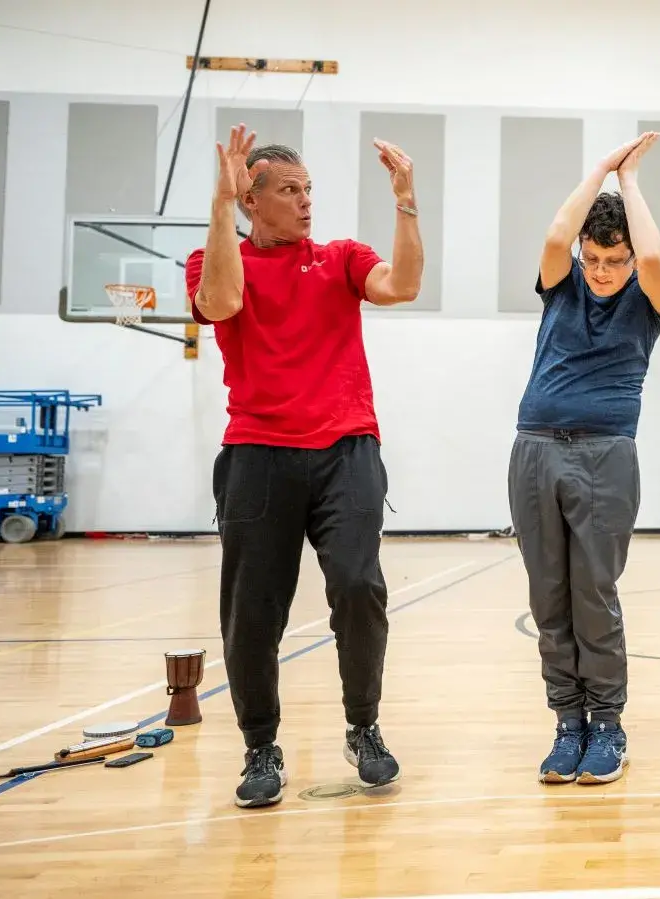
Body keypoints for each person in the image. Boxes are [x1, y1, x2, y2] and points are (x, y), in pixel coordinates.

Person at [187, 123, 424, 808]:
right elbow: (222, 304)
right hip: (257, 454)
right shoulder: (212, 260)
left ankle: (364, 727)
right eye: (288, 191)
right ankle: (261, 745)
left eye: (309, 189)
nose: (305, 201)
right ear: (251, 201)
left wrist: (406, 200)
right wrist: (218, 201)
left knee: (357, 584)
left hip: (347, 449)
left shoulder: (341, 258)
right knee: (253, 614)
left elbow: (402, 284)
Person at [514, 132, 660, 786]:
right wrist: (600, 171)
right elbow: (556, 236)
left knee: (593, 593)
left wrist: (630, 182)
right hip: (535, 449)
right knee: (548, 597)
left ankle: (608, 723)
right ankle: (567, 722)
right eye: (594, 258)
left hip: (608, 455)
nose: (603, 270)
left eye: (615, 259)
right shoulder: (562, 285)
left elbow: (657, 253)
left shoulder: (649, 300)